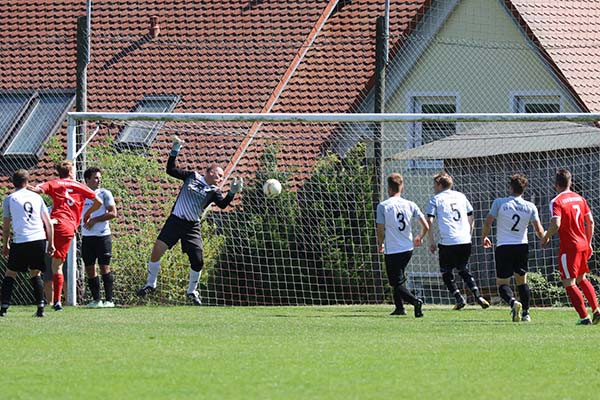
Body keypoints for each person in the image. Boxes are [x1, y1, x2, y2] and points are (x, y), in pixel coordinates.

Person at [136, 136, 243, 305]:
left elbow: (222, 205)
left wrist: (232, 193)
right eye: (220, 174)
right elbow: (170, 170)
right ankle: (150, 284)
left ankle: (192, 292)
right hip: (175, 221)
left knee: (198, 260)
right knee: (157, 251)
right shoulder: (192, 176)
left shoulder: (214, 191)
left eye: (223, 177)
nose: (221, 178)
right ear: (211, 171)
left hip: (192, 226)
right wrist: (175, 150)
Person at [29, 160, 102, 311]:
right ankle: (57, 302)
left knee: (39, 263)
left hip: (51, 225)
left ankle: (42, 296)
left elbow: (37, 190)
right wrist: (86, 215)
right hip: (66, 227)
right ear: (70, 172)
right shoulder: (80, 186)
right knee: (57, 266)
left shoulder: (53, 183)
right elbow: (98, 202)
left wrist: (24, 187)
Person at [481, 174, 545, 322]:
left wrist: (484, 237)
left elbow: (487, 222)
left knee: (502, 284)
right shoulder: (530, 206)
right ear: (524, 189)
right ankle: (526, 313)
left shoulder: (500, 203)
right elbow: (539, 230)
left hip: (504, 247)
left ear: (510, 187)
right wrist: (545, 238)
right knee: (522, 281)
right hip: (521, 246)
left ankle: (513, 302)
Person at [541, 169, 599, 325]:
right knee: (582, 278)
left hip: (569, 247)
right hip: (582, 244)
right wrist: (588, 243)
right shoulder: (580, 198)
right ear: (570, 182)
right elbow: (591, 222)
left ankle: (584, 317)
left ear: (556, 184)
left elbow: (556, 223)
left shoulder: (557, 201)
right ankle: (596, 309)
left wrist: (546, 237)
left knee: (569, 282)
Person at [426, 172, 490, 310]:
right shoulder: (461, 196)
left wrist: (431, 241)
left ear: (439, 185)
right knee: (463, 269)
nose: (433, 187)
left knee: (446, 271)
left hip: (448, 241)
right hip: (465, 240)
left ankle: (459, 298)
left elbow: (429, 221)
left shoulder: (435, 199)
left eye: (434, 184)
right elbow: (471, 215)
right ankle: (478, 296)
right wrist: (469, 233)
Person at [1, 170, 55, 317]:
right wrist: (50, 243)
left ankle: (4, 306)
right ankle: (40, 307)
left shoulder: (9, 199)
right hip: (38, 239)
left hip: (21, 240)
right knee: (35, 273)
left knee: (10, 273)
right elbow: (48, 223)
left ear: (13, 182)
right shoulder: (37, 198)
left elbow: (6, 226)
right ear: (27, 182)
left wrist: (5, 244)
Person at [376, 173, 428, 317]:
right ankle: (399, 308)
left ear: (388, 189)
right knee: (399, 277)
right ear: (401, 187)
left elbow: (380, 230)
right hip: (407, 248)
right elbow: (426, 225)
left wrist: (380, 243)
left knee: (395, 282)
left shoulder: (383, 206)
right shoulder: (410, 204)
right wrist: (420, 236)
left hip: (393, 249)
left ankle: (415, 301)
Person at [81, 167, 118, 308]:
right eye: (95, 177)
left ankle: (109, 300)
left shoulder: (104, 193)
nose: (99, 180)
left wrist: (94, 220)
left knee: (104, 267)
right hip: (87, 237)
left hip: (103, 236)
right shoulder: (82, 194)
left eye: (99, 177)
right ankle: (97, 300)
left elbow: (113, 213)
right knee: (90, 268)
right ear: (87, 180)